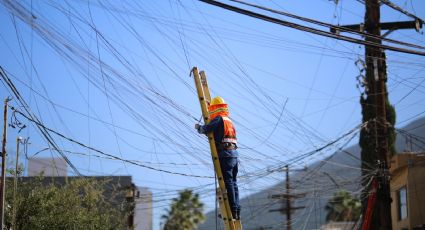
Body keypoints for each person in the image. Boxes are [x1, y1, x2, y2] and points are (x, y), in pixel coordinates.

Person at [195, 96, 241, 220]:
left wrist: (199, 128)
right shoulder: (228, 120)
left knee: (228, 182)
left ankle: (231, 210)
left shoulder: (219, 119)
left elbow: (207, 129)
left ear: (215, 108)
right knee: (234, 182)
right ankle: (236, 210)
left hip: (225, 154)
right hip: (234, 154)